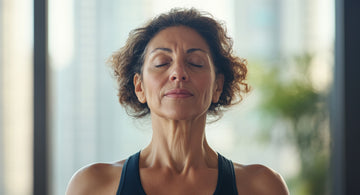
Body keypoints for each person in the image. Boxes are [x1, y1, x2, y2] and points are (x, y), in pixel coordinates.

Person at [66, 8, 289, 195]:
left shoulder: (262, 187)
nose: (178, 73)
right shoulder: (92, 186)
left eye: (195, 62)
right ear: (139, 87)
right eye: (162, 62)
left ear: (217, 87)